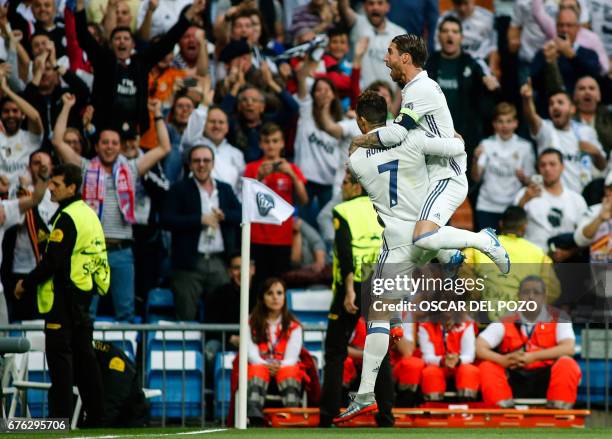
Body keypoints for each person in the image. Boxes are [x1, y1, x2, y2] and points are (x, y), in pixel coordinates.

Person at [334, 91, 466, 422]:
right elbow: (457, 146)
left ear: (361, 120)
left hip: (398, 241)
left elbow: (374, 146)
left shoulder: (358, 161)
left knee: (375, 317)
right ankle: (448, 253)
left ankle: (364, 394)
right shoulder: (413, 138)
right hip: (425, 230)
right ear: (390, 115)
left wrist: (360, 140)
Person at [350, 34, 509, 274]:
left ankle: (484, 241)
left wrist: (359, 141)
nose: (385, 59)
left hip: (447, 174)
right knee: (417, 228)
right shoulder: (415, 89)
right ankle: (449, 256)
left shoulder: (420, 89)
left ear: (405, 57)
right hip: (437, 172)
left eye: (390, 52)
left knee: (422, 236)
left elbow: (397, 135)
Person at [52, 94, 171, 322]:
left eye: (114, 143)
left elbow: (164, 147)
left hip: (121, 251)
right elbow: (57, 141)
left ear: (121, 147)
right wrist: (67, 106)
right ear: (96, 146)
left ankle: (122, 358)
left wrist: (157, 114)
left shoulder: (132, 168)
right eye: (105, 142)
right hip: (90, 250)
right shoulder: (84, 167)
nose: (109, 147)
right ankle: (87, 357)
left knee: (125, 312)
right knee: (86, 312)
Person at [15, 163, 109, 425]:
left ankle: (59, 420)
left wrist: (26, 284)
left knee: (61, 363)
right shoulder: (86, 214)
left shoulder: (67, 217)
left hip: (63, 299)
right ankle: (98, 418)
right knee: (84, 358)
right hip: (83, 295)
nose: (51, 189)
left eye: (56, 184)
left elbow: (52, 262)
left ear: (71, 187)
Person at [319, 170, 393, 427]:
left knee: (336, 352)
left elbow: (345, 249)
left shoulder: (344, 211)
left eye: (344, 183)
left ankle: (327, 415)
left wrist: (350, 288)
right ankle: (386, 416)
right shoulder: (382, 210)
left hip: (350, 287)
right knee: (380, 351)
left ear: (355, 186)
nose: (342, 187)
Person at [74, 0, 206, 136]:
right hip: (105, 131)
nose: (122, 42)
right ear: (111, 44)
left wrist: (192, 11)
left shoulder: (147, 65)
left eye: (126, 39)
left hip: (135, 134)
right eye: (117, 38)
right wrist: (79, 5)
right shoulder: (104, 61)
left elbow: (170, 41)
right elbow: (83, 36)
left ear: (133, 45)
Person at [160, 144, 241, 321]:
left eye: (206, 160)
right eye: (196, 161)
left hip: (219, 262)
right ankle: (188, 348)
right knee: (186, 315)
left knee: (221, 316)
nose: (201, 165)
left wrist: (224, 215)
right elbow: (165, 220)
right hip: (188, 263)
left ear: (213, 164)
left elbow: (241, 214)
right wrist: (198, 219)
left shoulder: (225, 189)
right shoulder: (179, 189)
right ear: (189, 164)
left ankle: (213, 348)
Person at [476, 276, 581, 409]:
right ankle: (502, 413)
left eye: (536, 293)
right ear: (518, 295)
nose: (531, 297)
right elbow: (479, 346)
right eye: (526, 292)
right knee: (487, 366)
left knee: (567, 363)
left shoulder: (559, 317)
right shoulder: (506, 319)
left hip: (546, 378)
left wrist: (533, 357)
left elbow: (568, 348)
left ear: (544, 296)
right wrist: (501, 359)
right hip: (514, 376)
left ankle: (559, 413)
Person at [462, 206, 561, 322]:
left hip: (483, 323)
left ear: (501, 224)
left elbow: (460, 273)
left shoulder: (478, 248)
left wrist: (480, 295)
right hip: (521, 325)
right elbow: (553, 291)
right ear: (524, 226)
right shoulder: (539, 254)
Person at [426, 16, 500, 163]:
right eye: (445, 31)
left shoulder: (473, 65)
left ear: (461, 37)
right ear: (439, 36)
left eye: (454, 31)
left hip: (466, 137)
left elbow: (488, 106)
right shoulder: (429, 64)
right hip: (434, 136)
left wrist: (492, 89)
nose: (450, 35)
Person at [244, 123, 308, 284]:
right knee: (258, 286)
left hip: (282, 237)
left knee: (279, 284)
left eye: (275, 141)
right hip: (257, 237)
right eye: (267, 141)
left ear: (282, 143)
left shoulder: (291, 168)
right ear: (260, 144)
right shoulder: (252, 168)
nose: (271, 145)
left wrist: (292, 175)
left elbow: (304, 200)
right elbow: (245, 201)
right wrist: (258, 178)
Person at [521, 78, 606, 195]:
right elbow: (531, 118)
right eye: (551, 104)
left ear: (572, 109)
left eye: (560, 102)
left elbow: (602, 167)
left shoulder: (586, 132)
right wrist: (527, 99)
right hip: (551, 197)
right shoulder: (546, 130)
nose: (555, 107)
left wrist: (596, 153)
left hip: (581, 197)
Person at [3, 151, 57, 322]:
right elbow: (16, 222)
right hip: (22, 268)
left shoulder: (56, 195)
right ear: (28, 167)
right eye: (36, 163)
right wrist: (23, 191)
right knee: (23, 323)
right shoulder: (18, 191)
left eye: (44, 164)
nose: (40, 166)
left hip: (48, 267)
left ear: (52, 168)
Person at [247, 278, 303, 426]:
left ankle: (291, 416)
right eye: (269, 293)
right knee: (256, 369)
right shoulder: (250, 322)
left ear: (285, 297)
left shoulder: (294, 325)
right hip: (260, 367)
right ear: (262, 298)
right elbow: (251, 354)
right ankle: (255, 418)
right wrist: (267, 365)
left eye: (279, 293)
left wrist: (278, 366)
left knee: (290, 370)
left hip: (284, 368)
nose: (275, 297)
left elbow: (292, 357)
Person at [472, 102, 535, 230]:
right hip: (487, 206)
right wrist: (475, 159)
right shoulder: (486, 144)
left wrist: (524, 178)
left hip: (513, 207)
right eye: (500, 121)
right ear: (494, 124)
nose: (505, 126)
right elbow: (476, 178)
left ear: (516, 123)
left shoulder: (525, 147)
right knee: (485, 248)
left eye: (509, 121)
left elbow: (531, 181)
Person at [515, 149, 588, 257]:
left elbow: (585, 236)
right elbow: (511, 227)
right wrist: (524, 200)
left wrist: (568, 254)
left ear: (562, 167)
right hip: (532, 259)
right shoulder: (525, 194)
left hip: (566, 262)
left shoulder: (577, 200)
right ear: (538, 169)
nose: (547, 169)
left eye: (552, 164)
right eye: (542, 165)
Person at [338, 0, 406, 88]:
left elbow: (404, 74)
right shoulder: (357, 24)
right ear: (364, 7)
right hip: (362, 98)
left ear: (387, 7)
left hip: (389, 98)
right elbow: (343, 8)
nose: (375, 7)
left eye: (380, 3)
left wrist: (395, 102)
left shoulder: (399, 33)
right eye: (371, 3)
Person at [0, 74, 44, 197]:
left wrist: (7, 91)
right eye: (6, 111)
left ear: (23, 114)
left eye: (15, 111)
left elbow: (35, 117)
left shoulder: (30, 138)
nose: (10, 115)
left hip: (24, 198)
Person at [434, 0, 499, 77]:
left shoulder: (488, 18)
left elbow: (493, 47)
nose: (462, 8)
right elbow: (438, 47)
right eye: (458, 3)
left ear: (473, 1)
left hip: (480, 64)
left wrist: (491, 72)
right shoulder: (444, 19)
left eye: (466, 3)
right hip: (454, 63)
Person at [572, 76, 612, 156]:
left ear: (599, 96)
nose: (587, 92)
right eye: (582, 88)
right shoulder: (567, 119)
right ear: (575, 96)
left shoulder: (609, 117)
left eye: (591, 88)